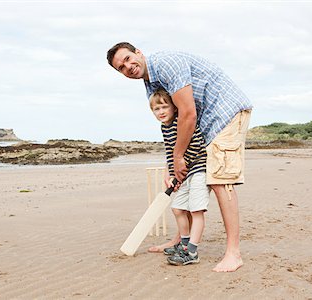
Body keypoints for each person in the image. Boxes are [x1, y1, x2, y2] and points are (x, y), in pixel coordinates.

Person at [107, 42, 253, 272]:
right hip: (202, 125)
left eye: (127, 59)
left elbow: (187, 113)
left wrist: (178, 156)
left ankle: (233, 253)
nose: (128, 67)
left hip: (225, 113)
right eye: (121, 68)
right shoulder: (150, 83)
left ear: (138, 53)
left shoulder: (166, 64)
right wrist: (172, 166)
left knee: (220, 181)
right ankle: (181, 240)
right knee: (182, 188)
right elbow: (172, 125)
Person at [149, 88, 210, 266]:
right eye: (156, 109)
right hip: (183, 172)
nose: (160, 112)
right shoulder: (165, 127)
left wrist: (181, 168)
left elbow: (197, 144)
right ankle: (183, 244)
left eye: (164, 107)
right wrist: (171, 172)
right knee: (177, 208)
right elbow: (171, 151)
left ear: (174, 107)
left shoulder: (181, 122)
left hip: (198, 169)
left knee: (196, 210)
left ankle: (191, 252)